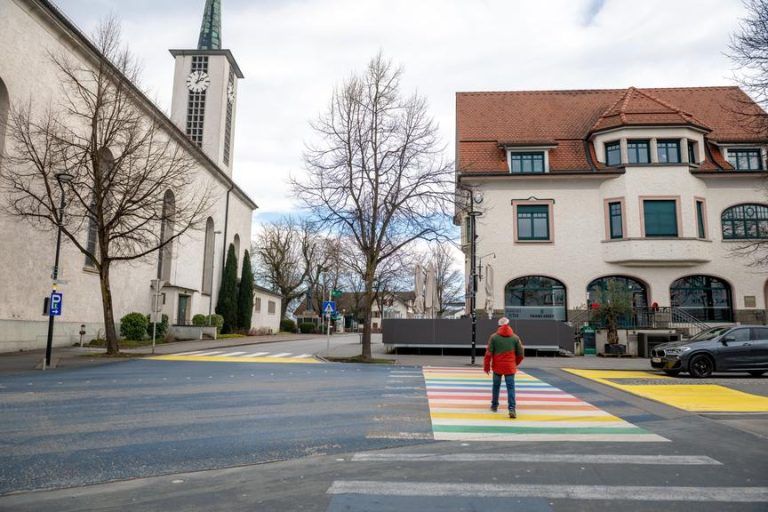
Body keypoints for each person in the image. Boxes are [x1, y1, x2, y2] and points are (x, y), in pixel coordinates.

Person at [483, 317, 524, 418]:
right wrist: (515, 363)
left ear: (499, 325)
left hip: (497, 367)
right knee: (511, 388)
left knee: (496, 386)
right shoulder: (515, 338)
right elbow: (521, 354)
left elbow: (488, 353)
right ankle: (512, 409)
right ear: (508, 324)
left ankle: (494, 406)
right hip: (510, 367)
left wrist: (487, 366)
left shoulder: (493, 337)